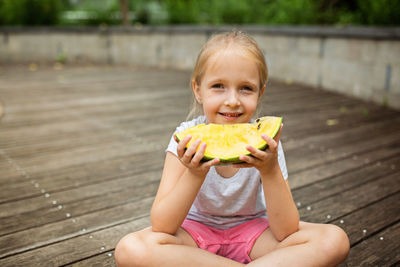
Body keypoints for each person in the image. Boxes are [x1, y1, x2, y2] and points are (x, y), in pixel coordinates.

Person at [115, 31, 350, 266]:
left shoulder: (265, 141)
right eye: (218, 86)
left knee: (334, 240)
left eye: (246, 88)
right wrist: (194, 173)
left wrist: (270, 171)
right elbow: (163, 225)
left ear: (260, 93)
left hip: (254, 236)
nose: (233, 101)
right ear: (198, 90)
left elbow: (285, 231)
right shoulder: (185, 138)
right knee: (130, 249)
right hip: (194, 238)